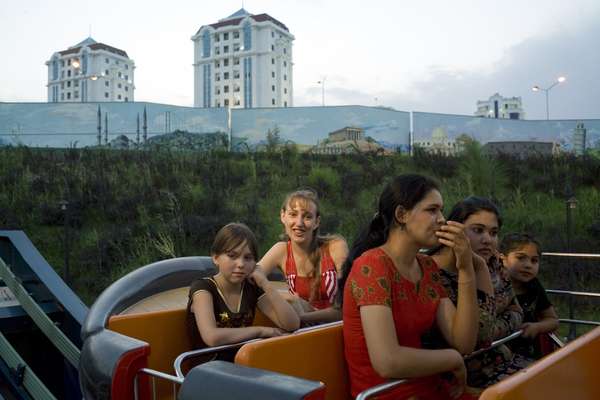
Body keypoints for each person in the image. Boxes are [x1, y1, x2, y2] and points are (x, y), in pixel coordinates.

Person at [341, 174, 479, 400]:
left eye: (441, 210)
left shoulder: (426, 266)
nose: (442, 219)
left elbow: (463, 341)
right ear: (401, 215)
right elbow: (387, 362)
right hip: (386, 394)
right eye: (432, 210)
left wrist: (466, 268)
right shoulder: (372, 266)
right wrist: (452, 359)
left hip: (430, 389)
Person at [428, 197, 525, 389]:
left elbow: (517, 312)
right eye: (478, 230)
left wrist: (494, 328)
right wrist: (500, 322)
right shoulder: (432, 273)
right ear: (452, 230)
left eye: (493, 233)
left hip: (506, 361)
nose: (487, 240)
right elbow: (480, 335)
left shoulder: (494, 264)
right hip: (468, 377)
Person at [187, 223, 300, 361]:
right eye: (232, 256)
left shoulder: (251, 288)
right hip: (208, 369)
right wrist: (260, 331)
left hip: (243, 365)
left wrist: (265, 283)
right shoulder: (203, 288)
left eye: (248, 258)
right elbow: (211, 337)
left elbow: (291, 324)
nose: (241, 264)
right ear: (216, 257)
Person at [257, 189, 348, 325]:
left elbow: (346, 306)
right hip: (302, 334)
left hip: (335, 329)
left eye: (307, 217)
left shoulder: (335, 247)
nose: (299, 223)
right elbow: (251, 278)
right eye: (293, 214)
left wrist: (301, 315)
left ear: (317, 222)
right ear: (283, 216)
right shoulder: (281, 250)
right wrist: (283, 296)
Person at [500, 233, 559, 358]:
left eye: (534, 260)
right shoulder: (494, 285)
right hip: (499, 354)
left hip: (530, 355)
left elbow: (553, 320)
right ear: (502, 259)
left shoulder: (534, 286)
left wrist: (537, 327)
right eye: (521, 258)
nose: (528, 265)